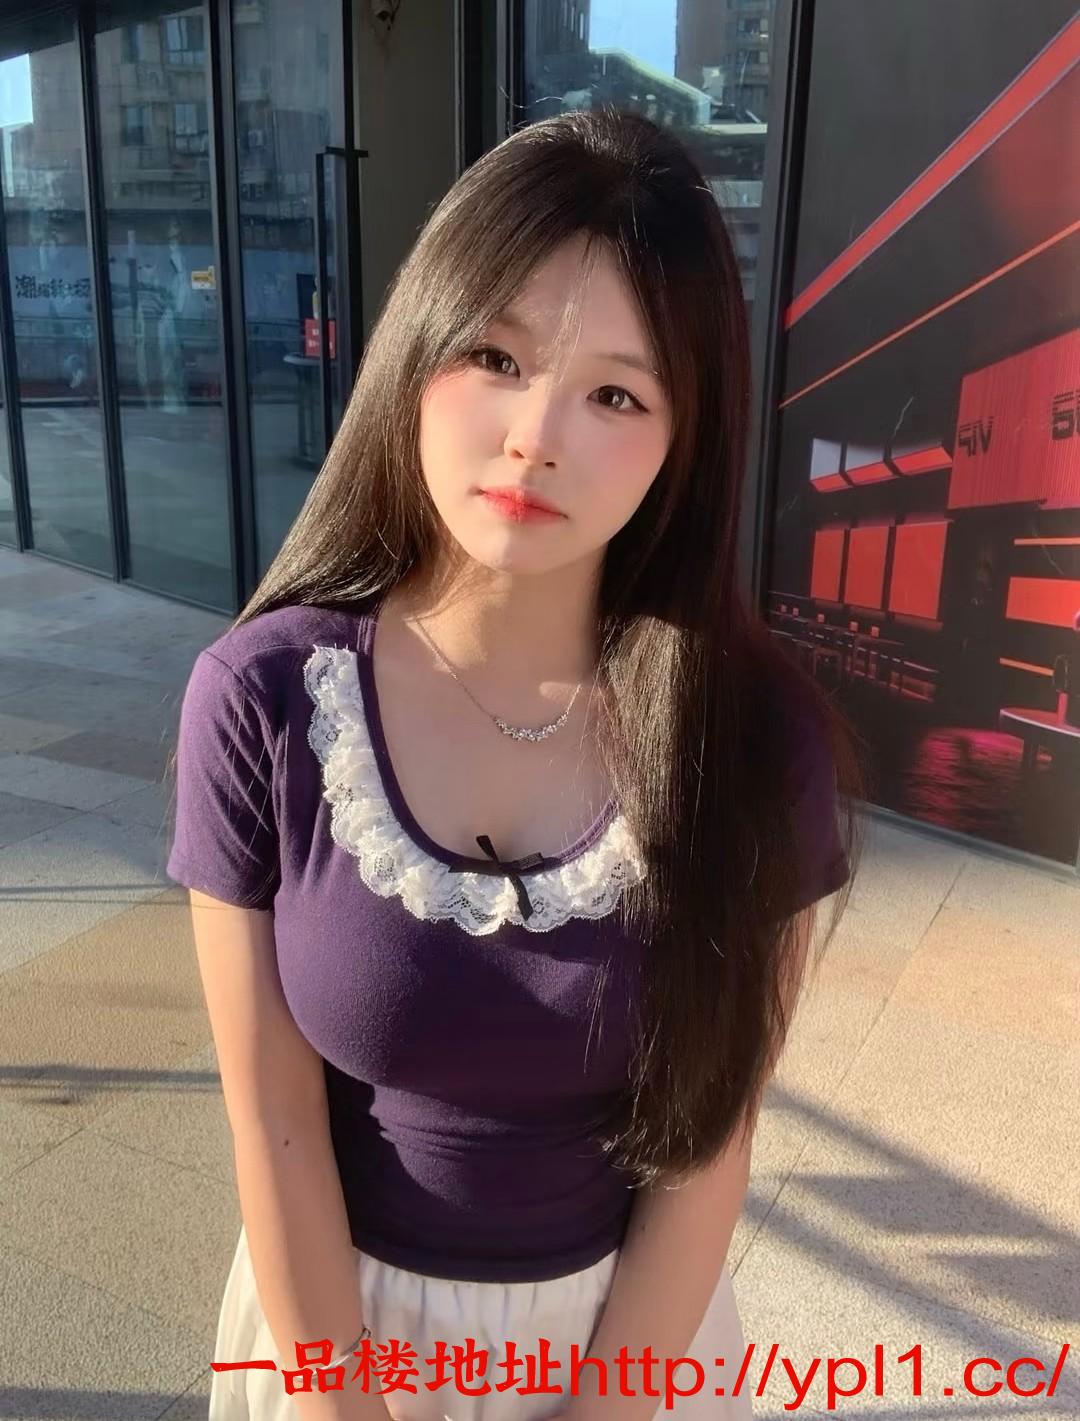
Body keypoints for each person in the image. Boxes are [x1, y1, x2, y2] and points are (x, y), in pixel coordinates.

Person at [166, 107, 861, 1421]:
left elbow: (710, 1142)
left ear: (685, 439)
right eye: (495, 355)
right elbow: (275, 1122)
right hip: (334, 1339)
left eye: (616, 393)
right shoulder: (263, 700)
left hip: (633, 1353)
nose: (537, 432)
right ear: (415, 350)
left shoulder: (753, 739)